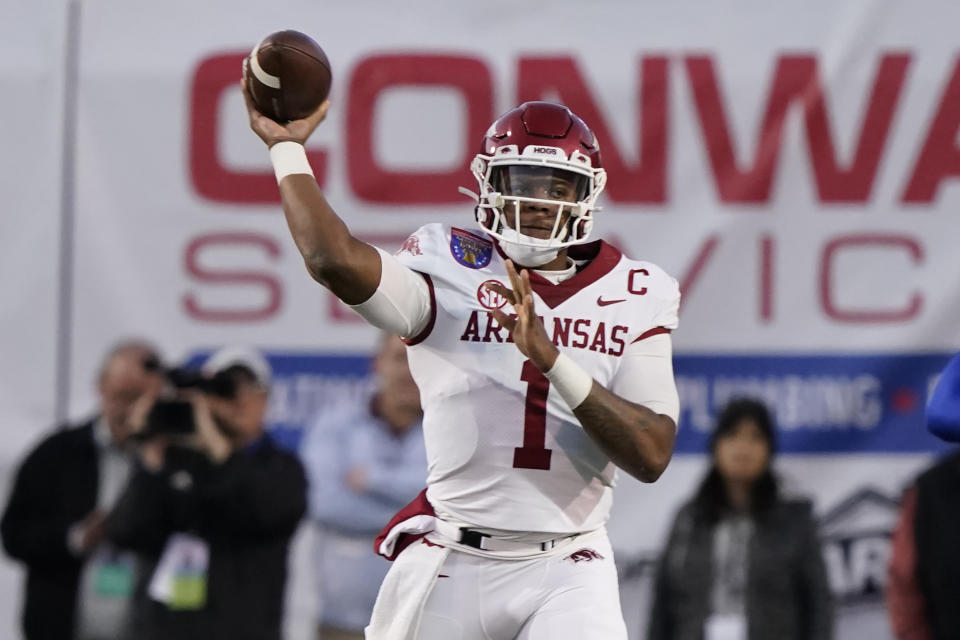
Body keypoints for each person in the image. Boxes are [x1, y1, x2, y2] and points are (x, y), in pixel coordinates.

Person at [244, 74, 681, 640]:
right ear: (487, 184)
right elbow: (332, 259)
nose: (537, 202)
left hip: (569, 563)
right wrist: (287, 148)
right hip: (455, 553)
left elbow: (650, 453)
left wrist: (553, 361)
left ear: (586, 194)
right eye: (522, 180)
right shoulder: (450, 264)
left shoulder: (635, 290)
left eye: (556, 186)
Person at [106, 346, 307, 640]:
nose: (237, 401)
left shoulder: (282, 468)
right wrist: (151, 458)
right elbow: (126, 532)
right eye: (224, 390)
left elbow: (264, 509)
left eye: (246, 389)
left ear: (264, 400)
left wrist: (217, 447)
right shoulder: (176, 459)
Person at [1, 339, 165, 640]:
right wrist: (74, 538)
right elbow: (14, 535)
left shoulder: (172, 460)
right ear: (101, 387)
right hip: (63, 627)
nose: (132, 411)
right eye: (123, 397)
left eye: (143, 398)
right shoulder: (57, 453)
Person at [647, 398, 834, 640]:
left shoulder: (794, 519)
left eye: (755, 437)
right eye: (733, 435)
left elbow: (818, 605)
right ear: (716, 444)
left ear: (769, 448)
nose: (743, 448)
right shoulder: (689, 519)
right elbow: (662, 605)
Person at [300, 334, 427, 639]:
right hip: (342, 622)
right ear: (378, 363)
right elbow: (323, 502)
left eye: (418, 361)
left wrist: (372, 480)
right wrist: (419, 517)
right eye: (399, 358)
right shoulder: (336, 425)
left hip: (425, 621)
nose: (408, 371)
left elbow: (456, 505)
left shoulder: (452, 429)